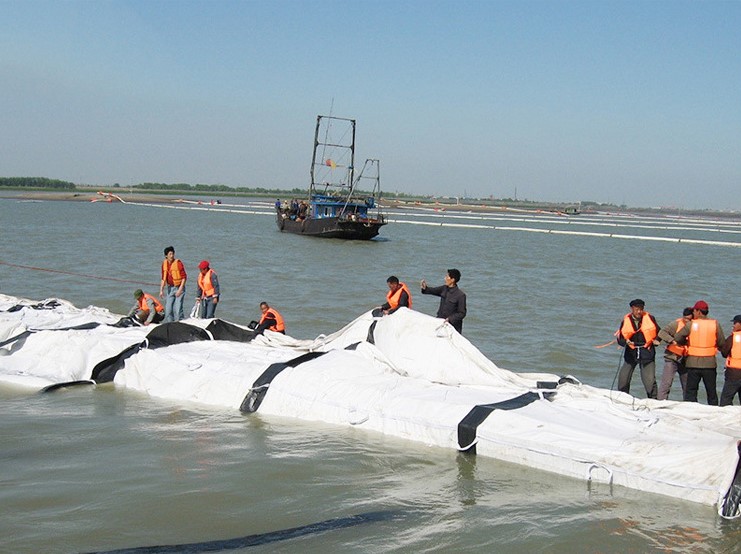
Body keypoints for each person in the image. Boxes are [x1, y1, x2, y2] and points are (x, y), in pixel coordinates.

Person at [672, 300, 724, 405]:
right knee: (711, 392)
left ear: (699, 312)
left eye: (694, 311)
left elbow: (677, 337)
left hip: (693, 363)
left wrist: (685, 341)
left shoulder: (691, 324)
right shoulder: (715, 324)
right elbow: (721, 342)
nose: (693, 313)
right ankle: (713, 412)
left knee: (691, 392)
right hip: (709, 364)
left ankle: (691, 413)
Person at [615, 299, 659, 398]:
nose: (639, 312)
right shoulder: (626, 321)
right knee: (623, 379)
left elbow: (658, 332)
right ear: (632, 309)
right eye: (637, 309)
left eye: (641, 309)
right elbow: (620, 338)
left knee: (650, 382)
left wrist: (657, 340)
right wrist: (625, 342)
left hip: (647, 354)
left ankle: (654, 401)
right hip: (631, 354)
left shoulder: (650, 318)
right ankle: (623, 399)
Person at [656, 307, 693, 400]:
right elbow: (662, 332)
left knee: (687, 385)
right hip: (672, 357)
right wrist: (671, 340)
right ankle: (660, 402)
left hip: (686, 359)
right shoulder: (676, 324)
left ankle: (688, 405)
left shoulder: (695, 326)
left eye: (689, 319)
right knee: (666, 383)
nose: (687, 321)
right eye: (686, 319)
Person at [420, 268, 466, 334]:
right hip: (440, 322)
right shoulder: (444, 289)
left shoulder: (460, 295)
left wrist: (450, 319)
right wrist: (425, 288)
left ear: (452, 280)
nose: (445, 278)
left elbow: (462, 313)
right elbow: (432, 290)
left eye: (447, 277)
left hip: (452, 327)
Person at [159, 246, 187, 322]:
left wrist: (180, 290)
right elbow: (163, 278)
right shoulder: (164, 264)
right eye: (170, 254)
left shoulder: (178, 263)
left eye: (173, 254)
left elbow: (184, 277)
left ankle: (180, 324)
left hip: (179, 288)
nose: (172, 256)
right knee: (168, 310)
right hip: (170, 288)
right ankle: (170, 325)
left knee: (177, 310)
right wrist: (161, 290)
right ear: (166, 256)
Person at [718, 315, 741, 406]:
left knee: (726, 400)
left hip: (734, 373)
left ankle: (725, 419)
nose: (733, 325)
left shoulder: (733, 338)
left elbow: (724, 353)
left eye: (735, 323)